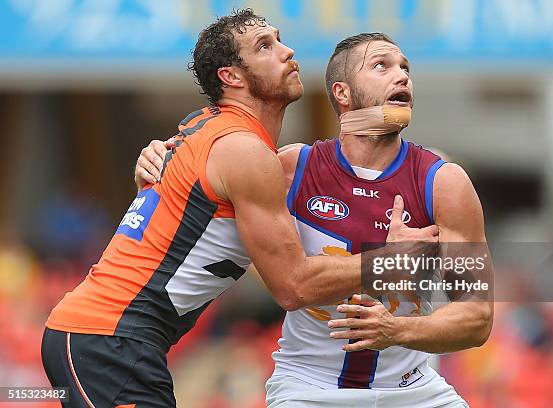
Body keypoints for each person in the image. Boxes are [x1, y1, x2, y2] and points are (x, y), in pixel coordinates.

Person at [41, 10, 435, 408]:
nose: (288, 51)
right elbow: (293, 286)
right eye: (266, 46)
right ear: (232, 77)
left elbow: (475, 315)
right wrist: (392, 261)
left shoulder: (210, 131)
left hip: (108, 339)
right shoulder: (244, 150)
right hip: (109, 339)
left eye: (280, 40)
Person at [137, 33, 493, 407]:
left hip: (413, 390)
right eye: (381, 66)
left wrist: (395, 329)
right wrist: (152, 166)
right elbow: (193, 209)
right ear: (343, 93)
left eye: (405, 68)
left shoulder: (444, 184)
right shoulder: (291, 170)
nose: (401, 76)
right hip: (308, 388)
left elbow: (477, 317)